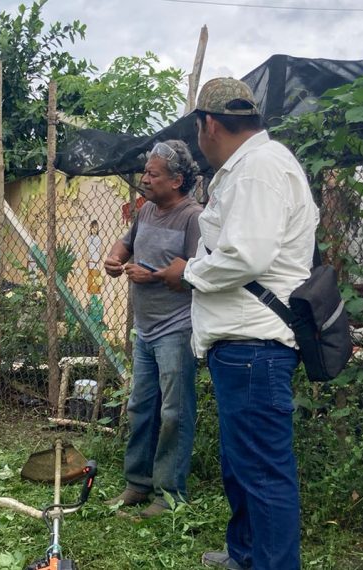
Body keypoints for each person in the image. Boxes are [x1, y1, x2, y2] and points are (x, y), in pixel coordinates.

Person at [154, 78, 318, 570]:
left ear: (208, 124)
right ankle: (246, 555)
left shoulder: (257, 170)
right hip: (242, 343)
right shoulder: (249, 168)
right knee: (242, 465)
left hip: (255, 342)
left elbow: (245, 255)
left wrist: (190, 273)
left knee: (263, 472)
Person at [103, 139, 204, 518]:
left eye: (153, 174)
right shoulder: (145, 212)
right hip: (145, 330)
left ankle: (170, 493)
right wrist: (115, 259)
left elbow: (196, 273)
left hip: (177, 329)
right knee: (141, 408)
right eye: (145, 172)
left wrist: (154, 276)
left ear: (176, 180)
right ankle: (138, 483)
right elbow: (124, 244)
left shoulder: (193, 217)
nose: (144, 178)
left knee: (175, 412)